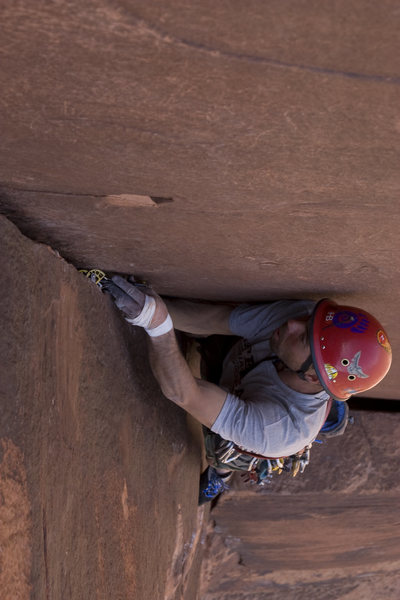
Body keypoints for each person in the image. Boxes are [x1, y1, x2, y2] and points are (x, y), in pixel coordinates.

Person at [102, 276, 392, 504]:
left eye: (302, 337)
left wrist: (155, 324)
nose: (292, 323)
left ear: (314, 377)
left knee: (222, 449)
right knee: (215, 354)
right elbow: (215, 319)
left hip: (258, 426)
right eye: (307, 324)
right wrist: (152, 304)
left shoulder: (282, 429)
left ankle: (222, 474)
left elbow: (185, 394)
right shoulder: (309, 323)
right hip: (238, 373)